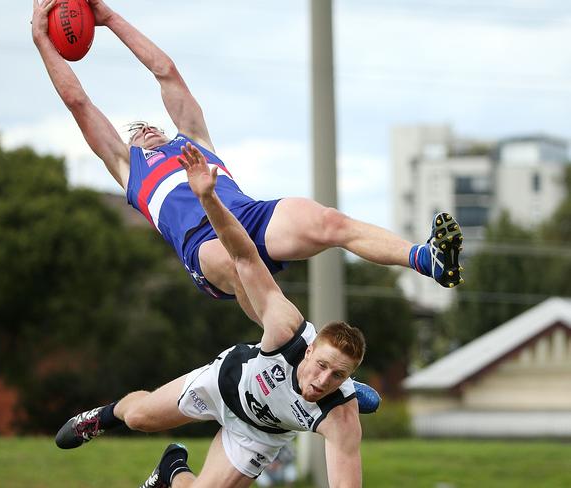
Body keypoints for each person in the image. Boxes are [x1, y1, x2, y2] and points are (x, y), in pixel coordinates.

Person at [32, 0, 464, 324]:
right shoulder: (129, 169)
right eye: (135, 131)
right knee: (239, 264)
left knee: (329, 221)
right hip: (204, 243)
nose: (144, 131)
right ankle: (298, 351)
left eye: (149, 126)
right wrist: (41, 41)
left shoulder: (192, 138)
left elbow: (165, 70)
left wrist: (108, 19)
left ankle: (428, 259)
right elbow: (78, 102)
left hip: (250, 216)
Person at [55, 143, 384, 488]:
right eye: (322, 366)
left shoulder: (340, 417)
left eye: (337, 376)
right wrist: (208, 199)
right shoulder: (287, 330)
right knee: (139, 417)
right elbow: (243, 257)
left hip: (259, 434)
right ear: (311, 348)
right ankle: (101, 417)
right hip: (226, 384)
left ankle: (171, 469)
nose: (322, 380)